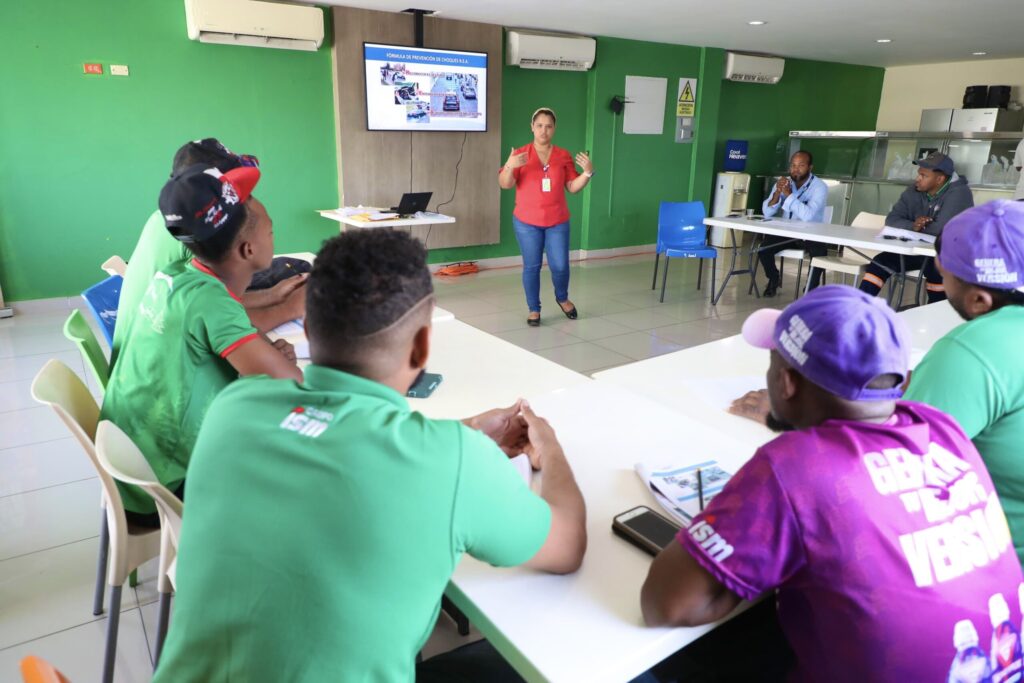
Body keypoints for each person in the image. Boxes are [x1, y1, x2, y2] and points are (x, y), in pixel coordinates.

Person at [152, 230, 588, 682]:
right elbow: (567, 545)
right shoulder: (454, 461)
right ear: (421, 346)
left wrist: (471, 431)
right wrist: (548, 445)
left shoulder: (234, 408)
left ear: (306, 327)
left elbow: (336, 442)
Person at [640, 285, 1024, 682]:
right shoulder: (943, 429)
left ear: (786, 384)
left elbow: (664, 605)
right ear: (903, 379)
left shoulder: (795, 465)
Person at [100, 163, 303, 525]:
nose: (275, 237)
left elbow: (227, 335)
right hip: (162, 490)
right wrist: (278, 362)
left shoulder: (176, 275)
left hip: (130, 467)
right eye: (272, 232)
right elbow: (290, 385)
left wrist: (264, 354)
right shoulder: (212, 304)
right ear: (247, 249)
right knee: (298, 469)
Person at [111, 138, 306, 365]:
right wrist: (288, 309)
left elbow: (219, 304)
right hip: (158, 361)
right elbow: (215, 321)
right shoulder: (199, 234)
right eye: (231, 193)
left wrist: (272, 295)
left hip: (139, 356)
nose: (241, 201)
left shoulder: (171, 221)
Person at [904, 200, 1024, 566]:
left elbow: (899, 466)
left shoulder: (972, 349)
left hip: (999, 574)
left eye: (945, 278)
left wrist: (807, 410)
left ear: (979, 300)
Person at [499, 107, 593, 327]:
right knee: (531, 266)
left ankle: (562, 298)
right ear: (532, 127)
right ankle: (534, 309)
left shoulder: (563, 155)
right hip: (526, 222)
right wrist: (510, 166)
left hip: (557, 221)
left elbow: (572, 186)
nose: (544, 130)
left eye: (548, 126)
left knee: (560, 265)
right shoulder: (520, 154)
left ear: (554, 129)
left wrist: (587, 172)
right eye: (539, 125)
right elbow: (505, 184)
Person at [859, 152, 973, 304]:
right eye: (919, 174)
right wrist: (913, 225)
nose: (917, 178)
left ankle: (936, 318)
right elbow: (892, 220)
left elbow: (942, 229)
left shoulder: (960, 193)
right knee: (880, 262)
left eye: (924, 176)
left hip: (949, 255)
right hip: (918, 249)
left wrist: (917, 228)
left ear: (939, 179)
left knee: (936, 271)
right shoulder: (914, 190)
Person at [758, 150, 830, 297]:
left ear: (810, 167)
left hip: (812, 233)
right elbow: (767, 213)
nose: (795, 169)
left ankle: (810, 289)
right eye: (793, 165)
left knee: (820, 254)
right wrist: (777, 193)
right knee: (763, 249)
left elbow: (808, 215)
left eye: (801, 165)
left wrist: (789, 195)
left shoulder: (819, 187)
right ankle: (773, 278)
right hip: (788, 232)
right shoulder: (785, 182)